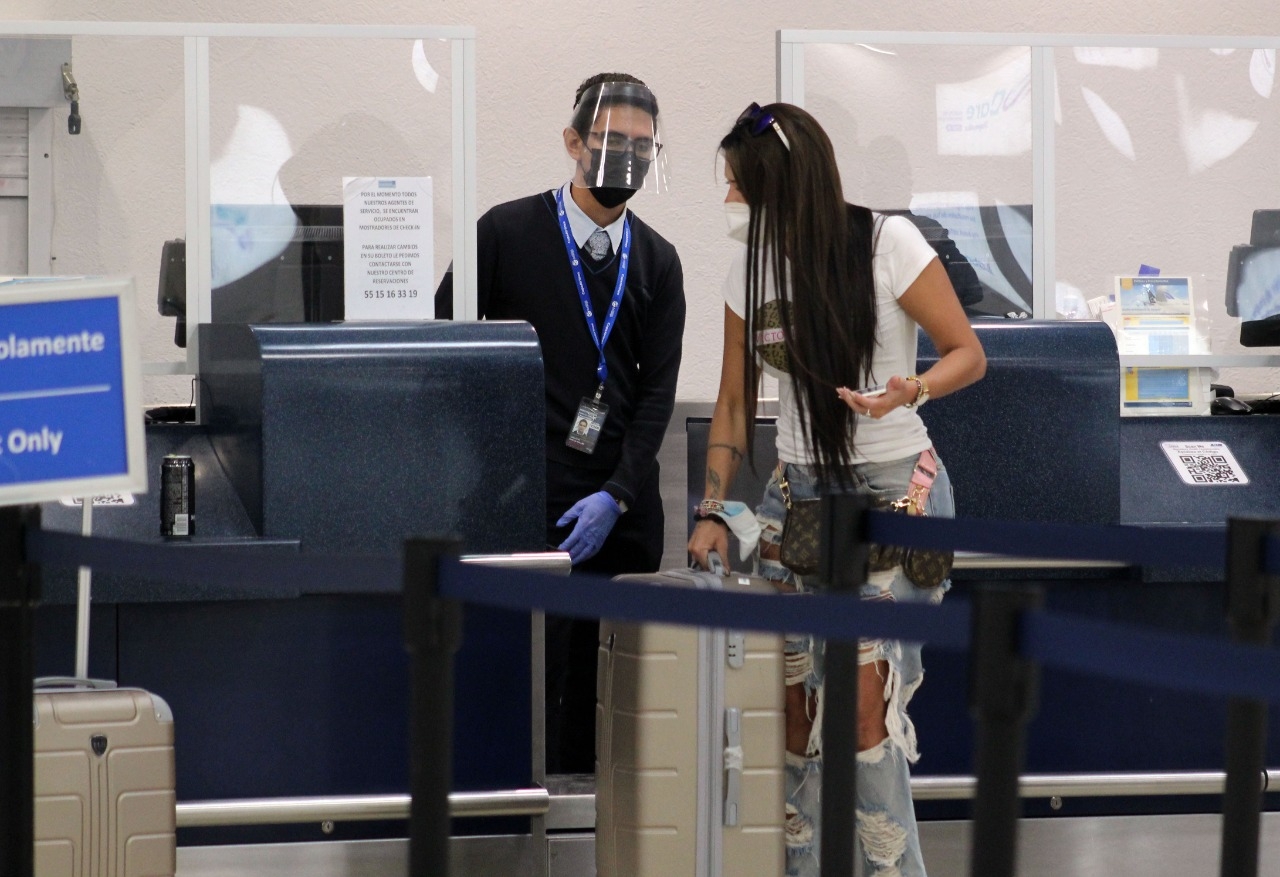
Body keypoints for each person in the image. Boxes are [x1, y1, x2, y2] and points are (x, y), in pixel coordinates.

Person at [687, 102, 986, 876]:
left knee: (859, 704)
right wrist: (714, 506)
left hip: (900, 499)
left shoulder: (888, 244)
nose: (728, 203)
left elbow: (967, 353)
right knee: (791, 710)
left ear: (781, 185)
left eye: (738, 186)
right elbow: (729, 401)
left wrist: (909, 390)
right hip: (800, 501)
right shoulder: (746, 272)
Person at [435, 73, 685, 775]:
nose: (627, 158)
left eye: (643, 146)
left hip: (618, 513)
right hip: (521, 501)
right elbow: (444, 352)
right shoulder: (505, 233)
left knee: (606, 704)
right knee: (520, 693)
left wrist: (620, 495)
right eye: (612, 141)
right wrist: (496, 453)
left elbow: (656, 397)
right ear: (574, 142)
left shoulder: (659, 262)